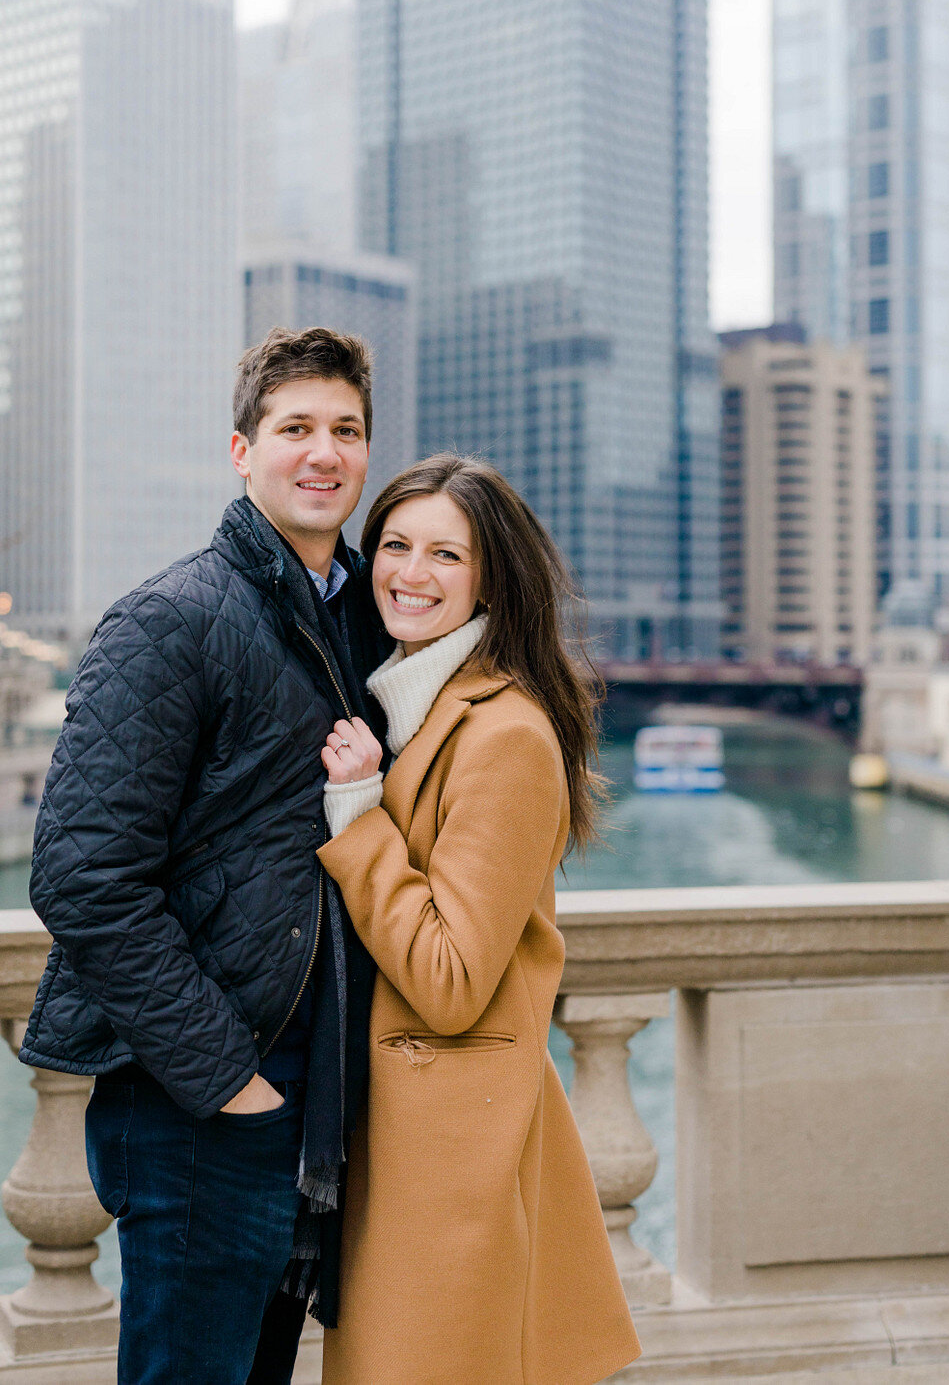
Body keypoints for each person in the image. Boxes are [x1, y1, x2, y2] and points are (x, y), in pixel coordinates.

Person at [19, 327, 387, 1385]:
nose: (324, 453)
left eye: (347, 430)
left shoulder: (366, 624)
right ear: (242, 451)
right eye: (296, 429)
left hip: (312, 1097)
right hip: (201, 1099)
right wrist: (229, 1083)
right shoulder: (169, 621)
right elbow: (83, 876)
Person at [314, 453, 641, 1385]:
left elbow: (452, 982)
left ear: (491, 575)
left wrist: (358, 816)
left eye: (446, 556)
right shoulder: (412, 701)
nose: (411, 574)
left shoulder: (505, 736)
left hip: (451, 1154)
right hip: (412, 1136)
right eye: (395, 545)